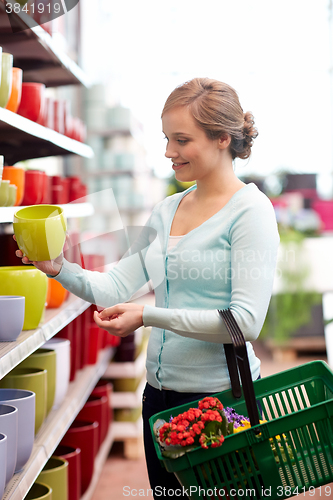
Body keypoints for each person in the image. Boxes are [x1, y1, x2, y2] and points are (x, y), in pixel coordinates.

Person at [16, 78, 280, 498]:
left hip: (219, 406)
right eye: (166, 138)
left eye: (181, 139)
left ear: (221, 140)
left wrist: (148, 315)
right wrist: (58, 267)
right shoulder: (166, 210)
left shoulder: (251, 212)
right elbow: (115, 285)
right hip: (158, 402)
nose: (168, 152)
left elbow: (243, 323)